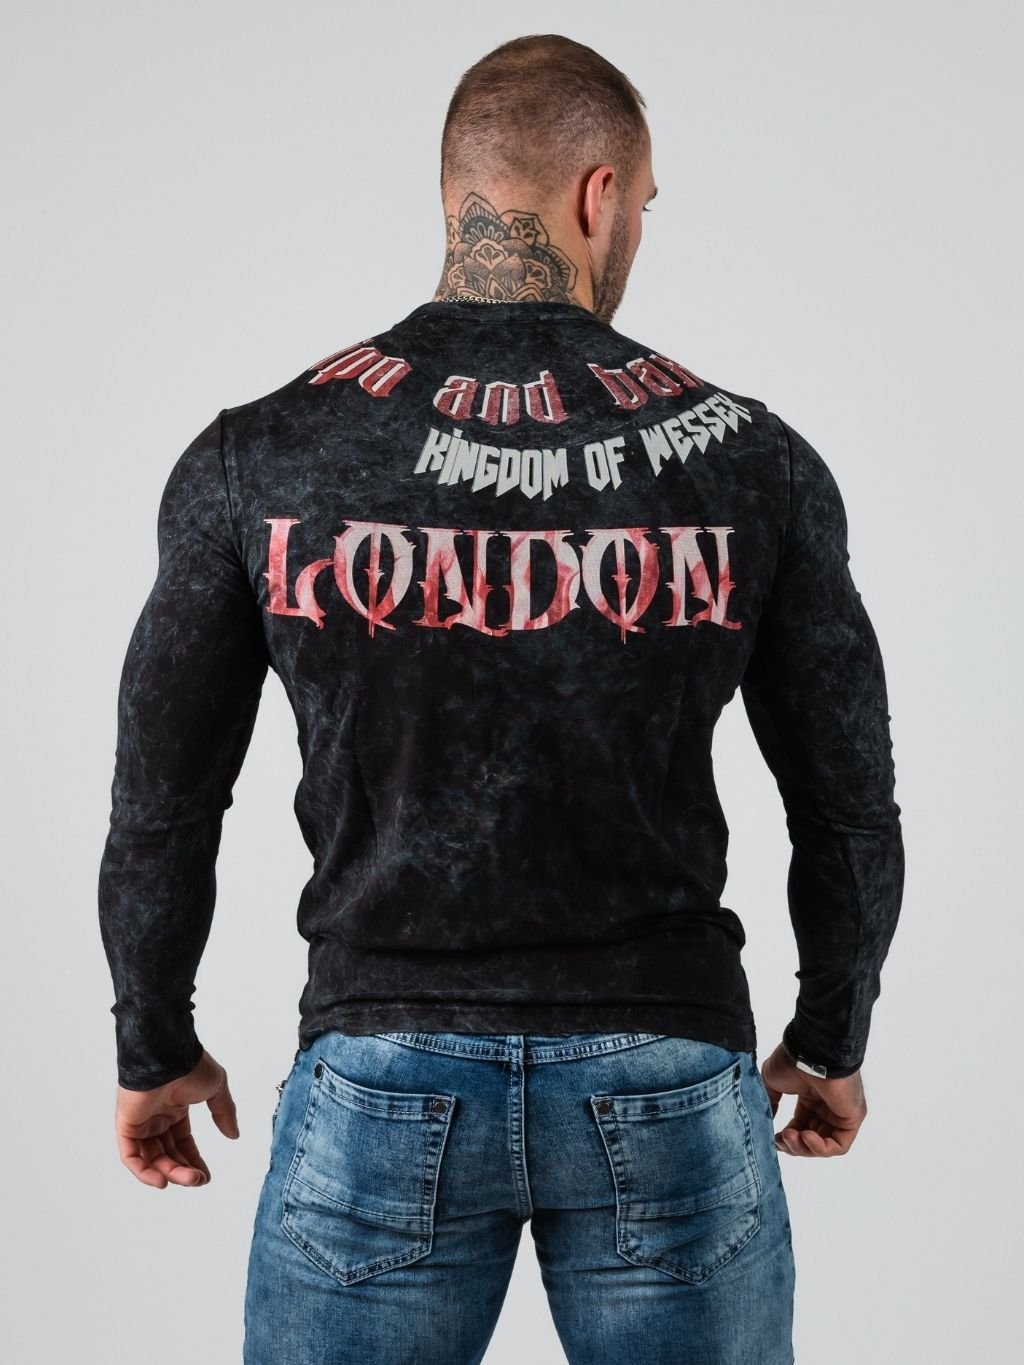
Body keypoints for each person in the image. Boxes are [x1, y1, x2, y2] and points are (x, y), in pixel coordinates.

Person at [97, 32, 905, 1365]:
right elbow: (848, 803)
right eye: (644, 206)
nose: (637, 232)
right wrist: (830, 1037)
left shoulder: (261, 453)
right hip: (666, 1065)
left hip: (379, 1072)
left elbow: (162, 804)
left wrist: (152, 1044)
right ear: (599, 195)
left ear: (456, 193)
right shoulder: (755, 461)